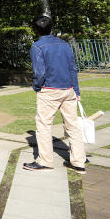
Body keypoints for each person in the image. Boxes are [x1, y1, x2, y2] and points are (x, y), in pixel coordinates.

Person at [24, 15, 86, 173]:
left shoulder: (37, 46)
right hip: (68, 89)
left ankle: (45, 161)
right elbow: (72, 68)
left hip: (50, 90)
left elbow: (40, 72)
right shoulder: (64, 45)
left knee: (44, 126)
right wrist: (76, 90)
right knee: (73, 126)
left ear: (35, 30)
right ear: (51, 27)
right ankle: (78, 161)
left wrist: (37, 87)